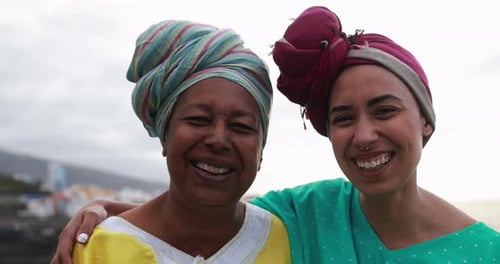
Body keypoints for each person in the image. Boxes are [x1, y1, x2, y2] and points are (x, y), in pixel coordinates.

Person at [52, 6, 500, 264]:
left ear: (426, 119)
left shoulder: (486, 251)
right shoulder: (308, 212)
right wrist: (102, 210)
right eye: (343, 118)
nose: (365, 135)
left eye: (385, 110)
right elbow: (201, 214)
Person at [57, 19, 292, 264]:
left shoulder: (291, 239)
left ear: (261, 149)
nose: (219, 139)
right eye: (199, 119)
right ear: (164, 134)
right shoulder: (96, 251)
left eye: (241, 126)